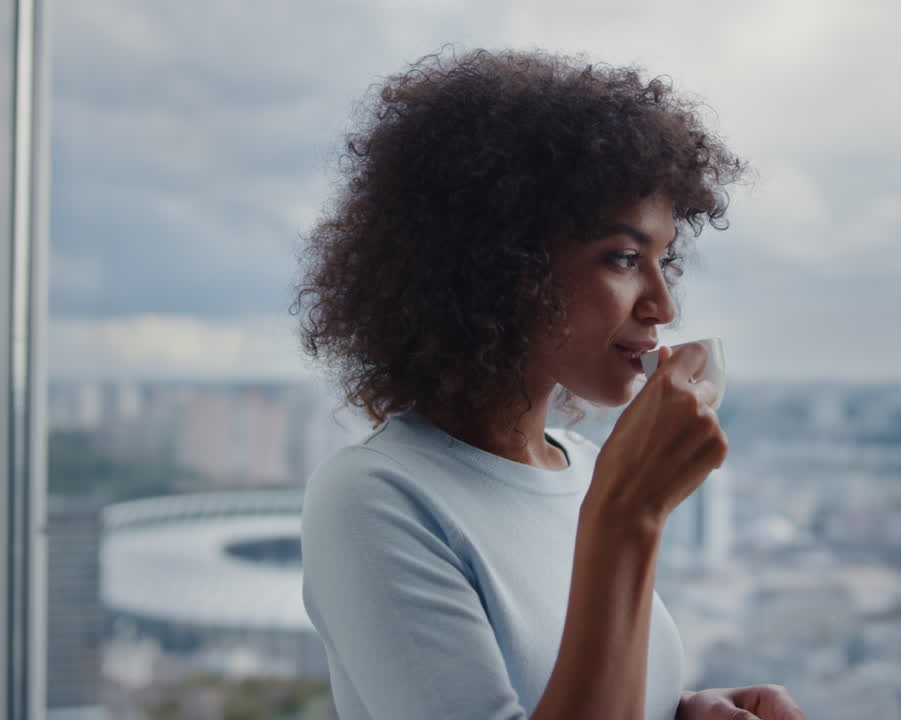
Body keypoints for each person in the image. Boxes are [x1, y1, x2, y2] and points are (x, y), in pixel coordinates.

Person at [291, 47, 806, 720]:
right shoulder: (374, 500)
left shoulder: (585, 467)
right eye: (624, 258)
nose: (663, 305)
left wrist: (678, 711)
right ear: (504, 267)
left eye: (665, 259)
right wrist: (629, 515)